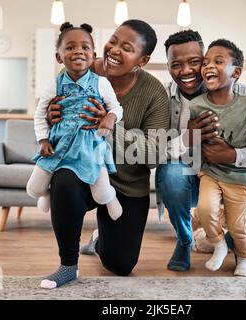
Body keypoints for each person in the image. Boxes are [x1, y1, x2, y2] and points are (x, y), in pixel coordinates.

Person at [43, 19, 170, 288]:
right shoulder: (81, 68)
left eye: (126, 47)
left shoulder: (153, 92)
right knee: (64, 179)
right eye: (113, 40)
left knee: (120, 265)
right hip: (81, 171)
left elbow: (155, 154)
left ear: (142, 60)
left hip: (126, 183)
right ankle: (68, 265)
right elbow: (50, 105)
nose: (113, 49)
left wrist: (111, 127)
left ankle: (100, 239)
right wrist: (49, 116)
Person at [156, 30, 246, 272]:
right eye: (176, 65)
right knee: (170, 173)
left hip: (236, 176)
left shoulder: (243, 95)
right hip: (194, 180)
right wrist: (186, 139)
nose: (186, 70)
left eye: (195, 62)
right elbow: (154, 151)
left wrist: (235, 156)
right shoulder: (163, 98)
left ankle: (241, 244)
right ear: (168, 67)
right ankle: (185, 240)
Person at [27, 22, 123, 221]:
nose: (78, 51)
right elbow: (39, 114)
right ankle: (47, 192)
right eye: (70, 47)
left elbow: (116, 108)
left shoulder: (101, 83)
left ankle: (111, 198)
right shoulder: (54, 85)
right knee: (33, 189)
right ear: (59, 57)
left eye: (85, 47)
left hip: (90, 146)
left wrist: (109, 118)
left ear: (93, 54)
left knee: (101, 193)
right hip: (58, 145)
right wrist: (43, 140)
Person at [190, 39, 246, 277]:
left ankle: (245, 255)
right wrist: (191, 132)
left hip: (241, 177)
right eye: (206, 62)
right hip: (211, 173)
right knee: (205, 208)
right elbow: (188, 143)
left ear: (236, 72)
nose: (208, 66)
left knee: (237, 225)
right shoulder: (196, 105)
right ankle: (218, 244)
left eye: (217, 61)